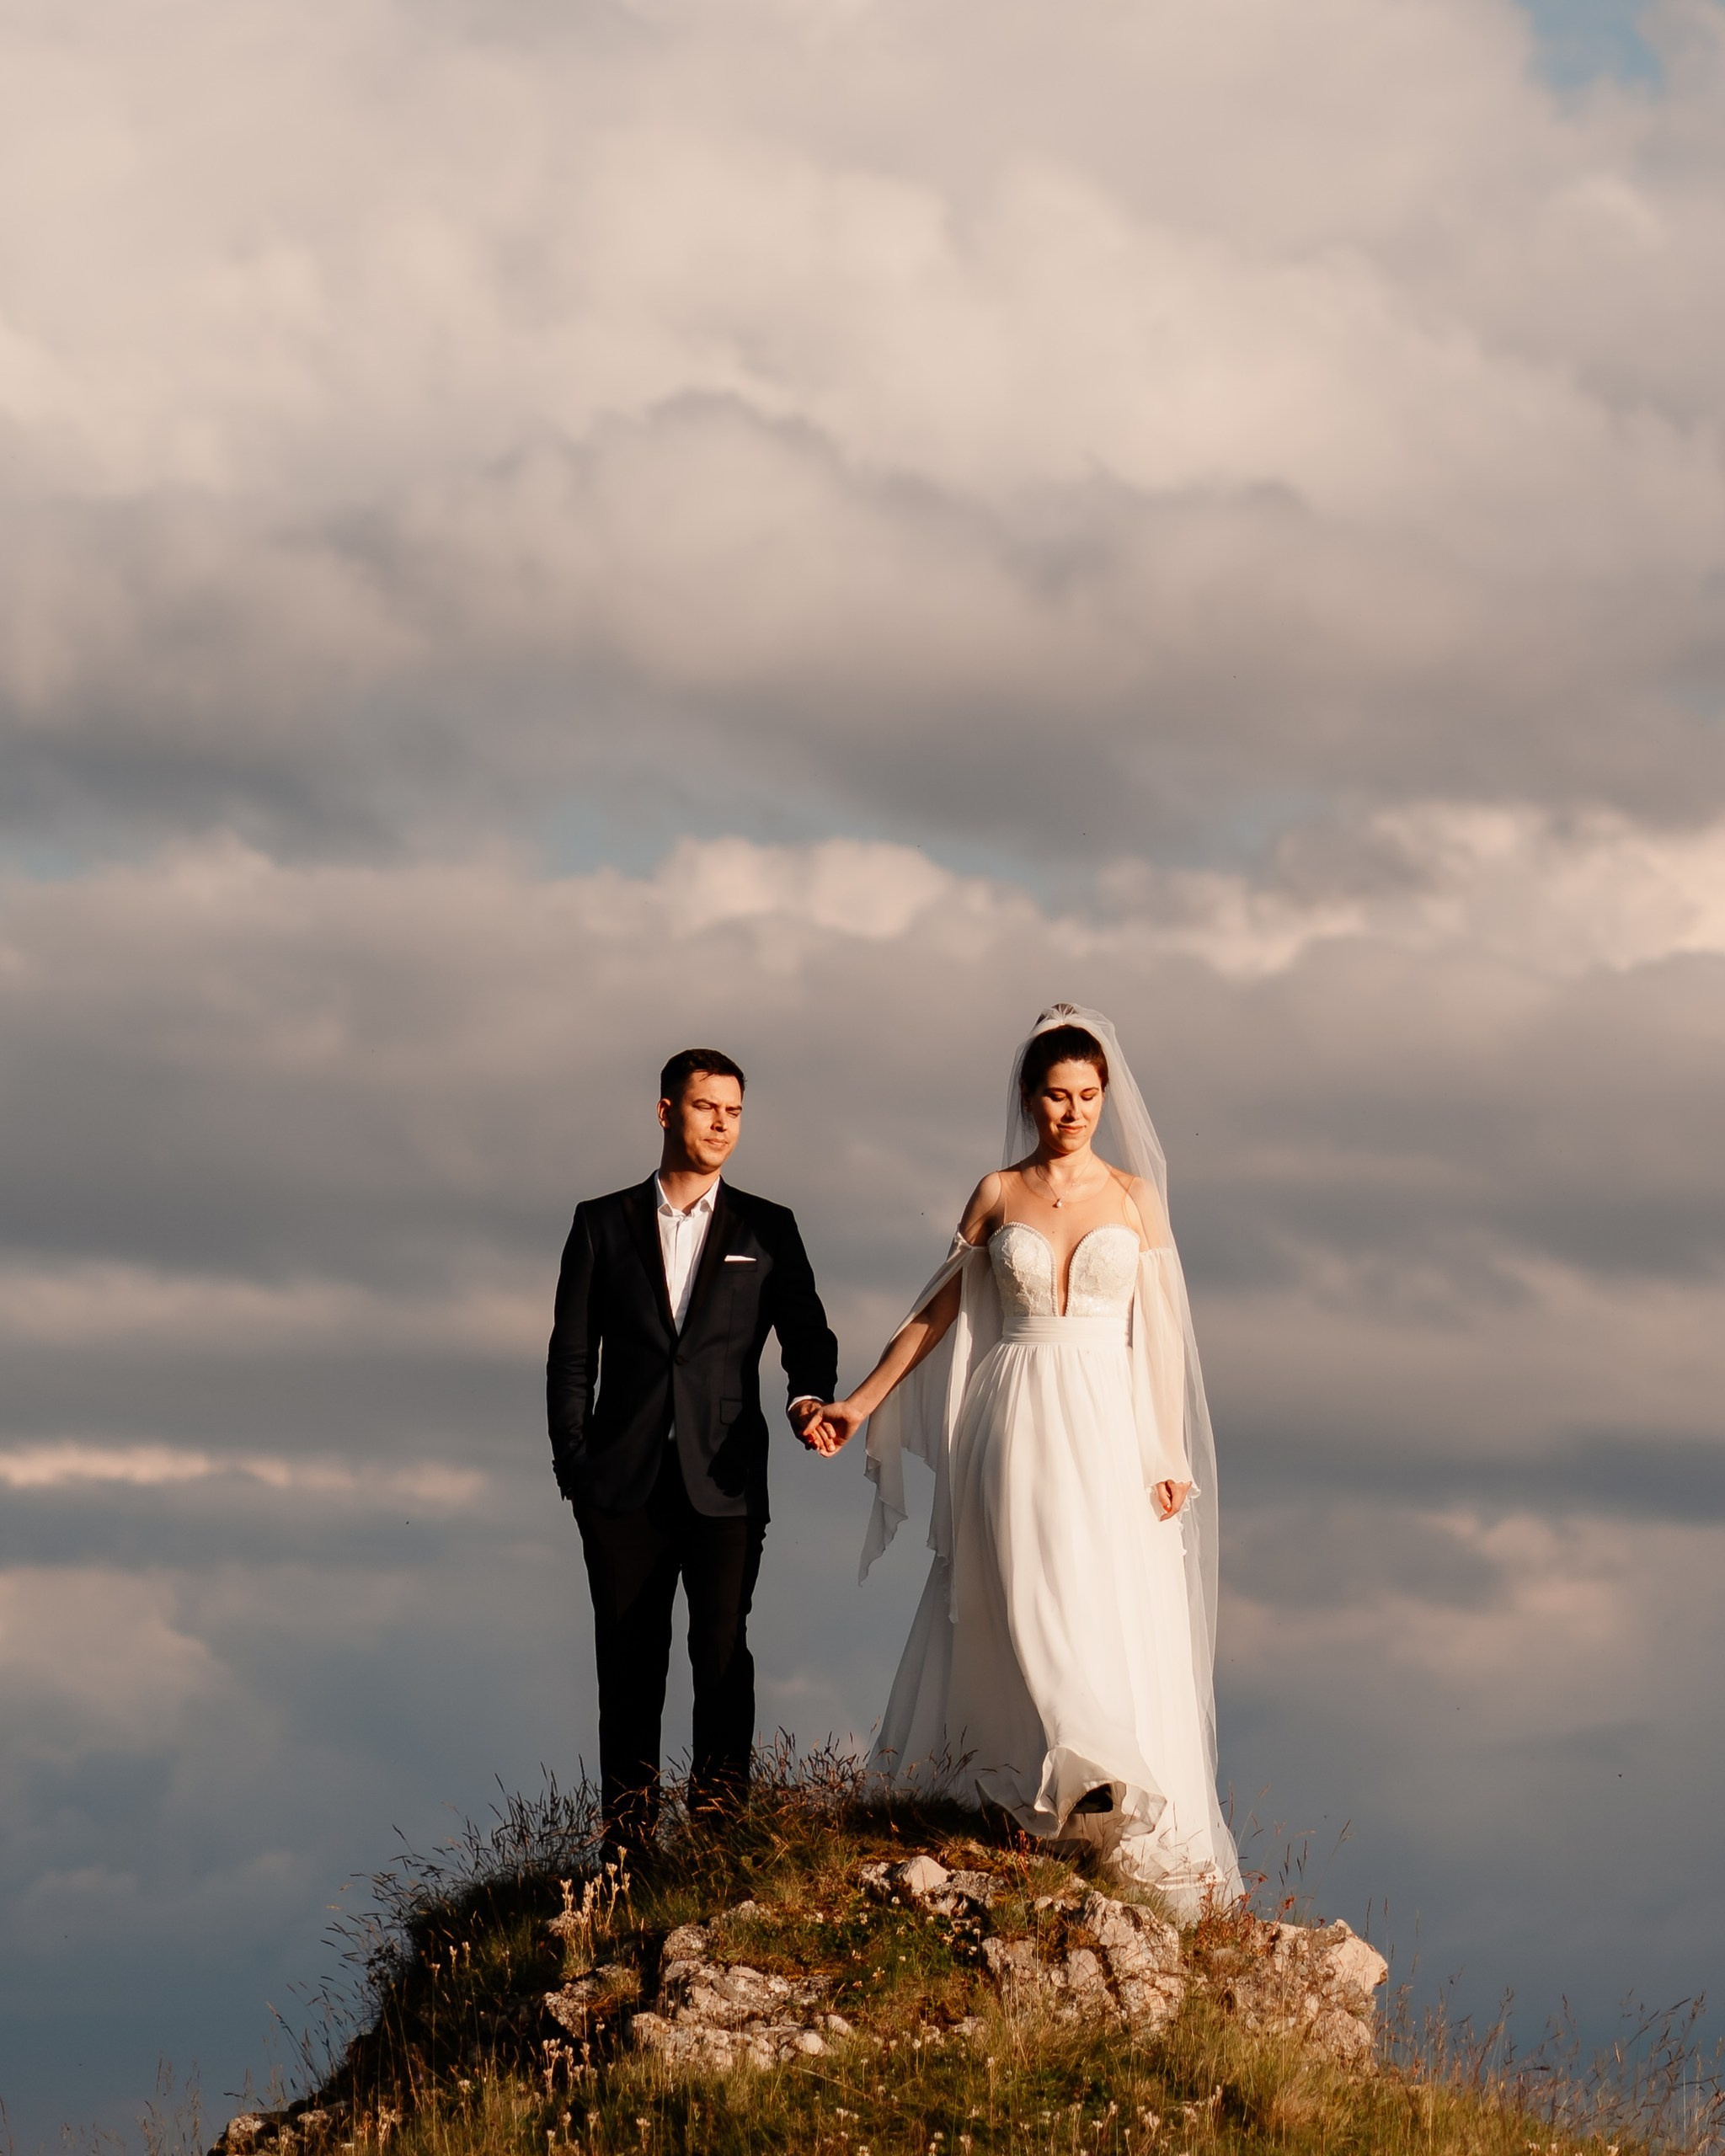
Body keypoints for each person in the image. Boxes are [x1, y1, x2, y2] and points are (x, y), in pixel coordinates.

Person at [808, 1006, 1240, 1913]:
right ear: (1029, 1097)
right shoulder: (997, 1191)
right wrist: (860, 1399)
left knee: (1101, 1585)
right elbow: (934, 1313)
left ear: (1104, 1097)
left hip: (1111, 1417)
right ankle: (1077, 1769)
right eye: (1055, 1094)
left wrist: (1166, 1451)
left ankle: (1096, 1778)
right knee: (1026, 1580)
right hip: (1015, 1407)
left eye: (1087, 1095)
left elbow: (1160, 1336)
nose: (1072, 1111)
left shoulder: (1133, 1197)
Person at [547, 1049, 839, 1860]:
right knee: (630, 1668)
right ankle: (628, 1849)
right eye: (707, 1107)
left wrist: (806, 1396)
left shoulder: (766, 1226)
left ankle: (719, 1838)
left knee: (720, 1654)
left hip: (727, 1484)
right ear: (667, 1111)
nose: (722, 1124)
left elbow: (808, 1335)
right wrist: (576, 1465)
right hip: (621, 1487)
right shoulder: (600, 1223)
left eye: (734, 1112)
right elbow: (572, 1357)